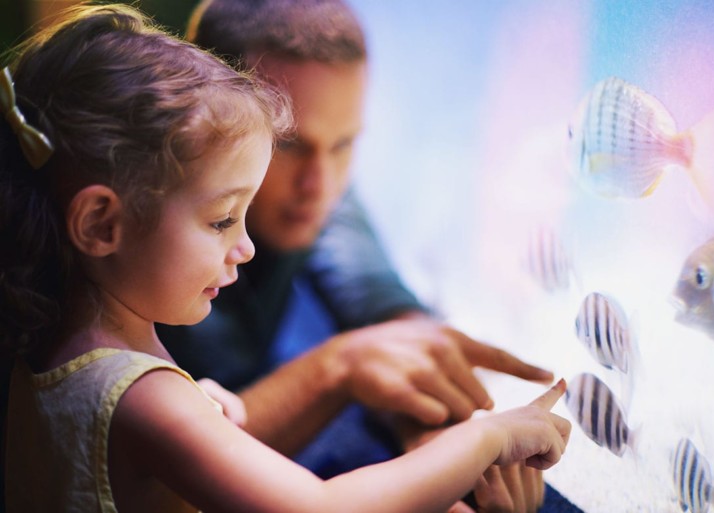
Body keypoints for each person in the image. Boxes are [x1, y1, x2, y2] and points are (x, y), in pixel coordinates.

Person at [0, 5, 572, 512]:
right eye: (222, 219)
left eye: (346, 145)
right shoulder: (144, 399)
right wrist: (486, 440)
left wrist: (216, 413)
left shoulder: (51, 342)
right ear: (102, 224)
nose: (244, 247)